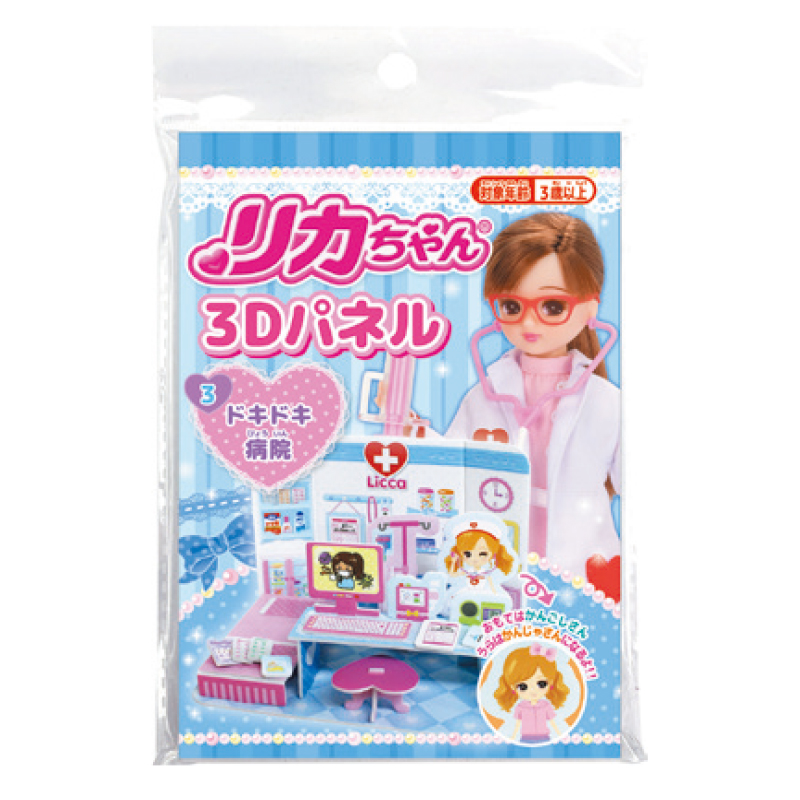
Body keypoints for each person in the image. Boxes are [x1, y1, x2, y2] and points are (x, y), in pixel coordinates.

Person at [493, 644, 569, 744]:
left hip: (545, 737)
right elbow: (517, 724)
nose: (533, 690)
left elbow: (552, 722)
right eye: (523, 686)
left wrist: (560, 735)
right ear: (512, 688)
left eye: (541, 684)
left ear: (551, 683)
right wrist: (512, 737)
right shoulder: (520, 707)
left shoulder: (546, 706)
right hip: (525, 737)